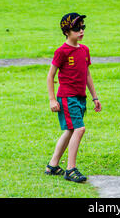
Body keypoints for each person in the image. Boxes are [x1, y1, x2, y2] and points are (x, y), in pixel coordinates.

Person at [46, 12, 102, 183]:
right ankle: (70, 169)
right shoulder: (61, 52)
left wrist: (94, 97)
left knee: (70, 130)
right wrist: (52, 99)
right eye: (77, 28)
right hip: (66, 98)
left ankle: (53, 165)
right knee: (79, 129)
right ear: (67, 31)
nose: (81, 31)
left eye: (83, 27)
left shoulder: (84, 50)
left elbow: (87, 75)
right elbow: (50, 76)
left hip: (80, 98)